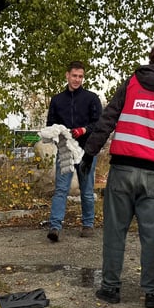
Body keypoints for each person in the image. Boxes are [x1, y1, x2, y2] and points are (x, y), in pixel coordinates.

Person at [80, 42, 154, 308]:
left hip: (121, 171)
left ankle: (110, 288)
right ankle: (153, 292)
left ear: (151, 58)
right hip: (153, 176)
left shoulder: (132, 83)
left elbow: (108, 118)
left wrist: (89, 153)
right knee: (151, 234)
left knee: (114, 231)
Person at [45, 60, 103, 241]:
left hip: (86, 150)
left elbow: (99, 124)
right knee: (61, 189)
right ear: (67, 75)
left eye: (80, 76)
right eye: (74, 76)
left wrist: (83, 130)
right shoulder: (57, 100)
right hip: (65, 151)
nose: (77, 79)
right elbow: (50, 126)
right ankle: (55, 226)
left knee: (86, 189)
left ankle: (88, 225)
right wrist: (57, 134)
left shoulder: (91, 98)